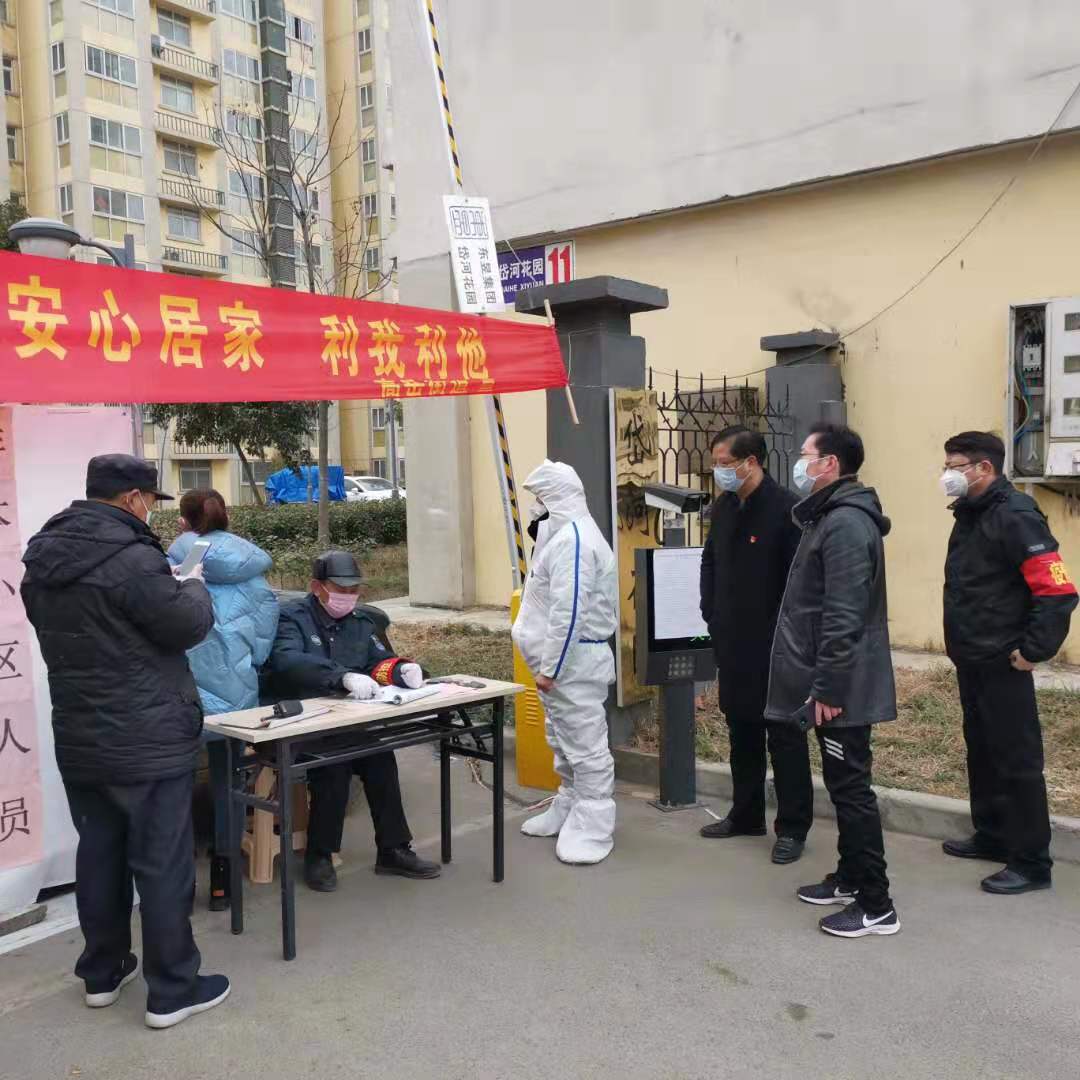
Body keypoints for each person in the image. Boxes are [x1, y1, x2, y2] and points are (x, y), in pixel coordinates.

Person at [20, 454, 230, 1029]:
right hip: (146, 737)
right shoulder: (135, 559)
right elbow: (186, 626)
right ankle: (173, 989)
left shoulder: (43, 556)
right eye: (150, 500)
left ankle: (103, 972)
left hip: (81, 734)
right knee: (162, 864)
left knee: (100, 855)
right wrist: (192, 587)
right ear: (134, 498)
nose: (150, 510)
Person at [765, 425, 900, 938]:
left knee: (851, 790)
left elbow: (844, 615)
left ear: (831, 464)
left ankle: (877, 905)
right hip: (832, 679)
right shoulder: (829, 516)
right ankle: (850, 877)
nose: (799, 463)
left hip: (842, 687)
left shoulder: (844, 522)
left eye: (806, 455)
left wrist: (828, 689)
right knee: (845, 787)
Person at [939, 431, 1077, 894]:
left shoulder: (1016, 515)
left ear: (984, 468)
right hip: (972, 655)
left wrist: (1034, 650)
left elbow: (1056, 590)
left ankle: (1032, 862)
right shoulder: (970, 512)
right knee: (982, 750)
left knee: (1017, 760)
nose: (947, 474)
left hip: (1004, 659)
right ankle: (993, 834)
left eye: (955, 466)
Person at [268, 550, 440, 892]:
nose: (348, 596)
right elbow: (288, 660)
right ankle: (320, 854)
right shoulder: (293, 617)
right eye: (340, 589)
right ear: (317, 587)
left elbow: (379, 660)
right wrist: (342, 676)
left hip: (350, 718)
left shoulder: (360, 622)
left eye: (353, 590)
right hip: (304, 719)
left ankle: (393, 849)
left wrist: (402, 670)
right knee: (334, 765)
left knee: (381, 758)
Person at [699, 426, 813, 863]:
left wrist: (792, 638)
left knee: (783, 736)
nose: (719, 471)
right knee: (741, 730)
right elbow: (711, 560)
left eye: (725, 464)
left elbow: (799, 582)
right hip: (733, 641)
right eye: (716, 463)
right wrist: (710, 610)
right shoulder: (725, 507)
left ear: (751, 462)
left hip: (776, 646)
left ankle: (793, 828)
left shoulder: (787, 510)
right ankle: (746, 814)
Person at [168, 489, 279, 911]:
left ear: (183, 521)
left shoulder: (174, 563)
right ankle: (223, 880)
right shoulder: (253, 569)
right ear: (225, 516)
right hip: (237, 692)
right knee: (229, 784)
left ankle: (177, 885)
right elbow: (264, 643)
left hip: (181, 693)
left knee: (174, 787)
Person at [512, 460, 620, 865]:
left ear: (554, 499)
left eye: (539, 499)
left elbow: (569, 611)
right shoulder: (564, 537)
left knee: (586, 744)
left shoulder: (574, 541)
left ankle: (593, 825)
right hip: (564, 664)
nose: (535, 507)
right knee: (563, 738)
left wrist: (550, 669)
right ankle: (569, 805)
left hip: (572, 664)